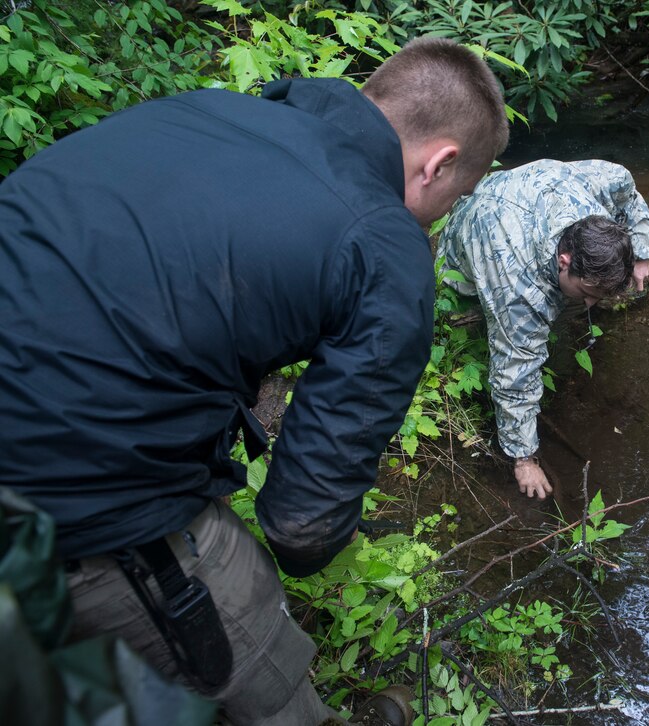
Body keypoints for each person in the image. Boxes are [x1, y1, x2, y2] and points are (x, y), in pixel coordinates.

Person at [0, 37, 508, 725]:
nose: (447, 213)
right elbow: (300, 527)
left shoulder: (206, 109)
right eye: (460, 194)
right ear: (440, 163)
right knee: (248, 627)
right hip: (64, 482)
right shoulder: (385, 248)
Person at [436, 159, 649, 500]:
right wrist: (524, 458)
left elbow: (626, 185)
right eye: (586, 294)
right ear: (564, 261)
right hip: (470, 242)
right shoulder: (517, 290)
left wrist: (643, 252)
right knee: (499, 329)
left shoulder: (595, 194)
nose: (589, 305)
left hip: (518, 194)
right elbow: (515, 372)